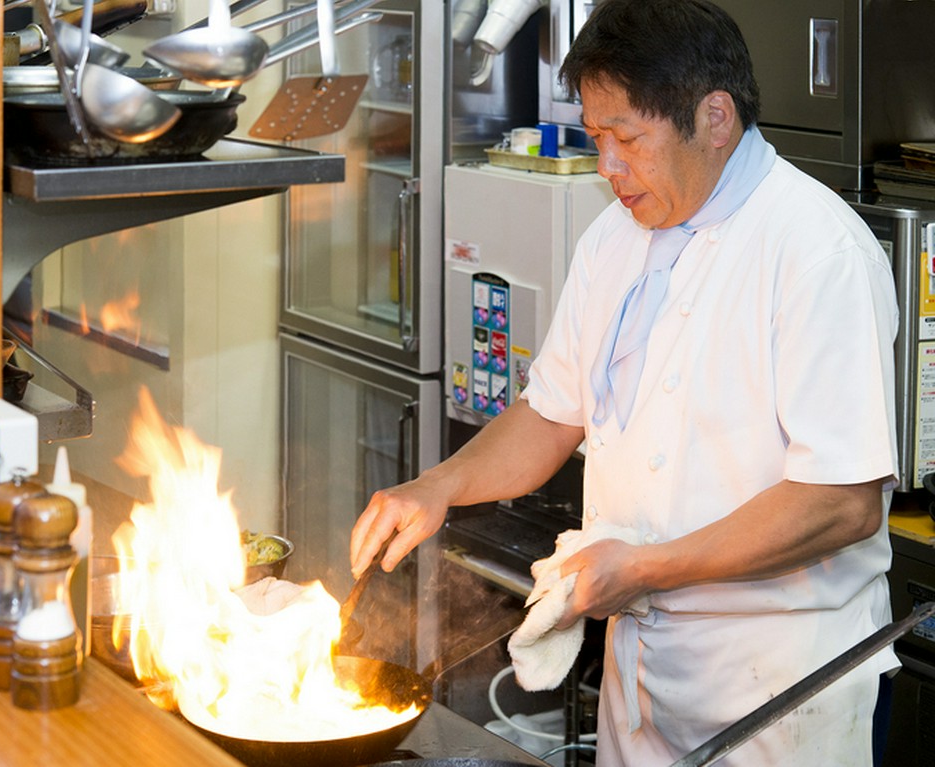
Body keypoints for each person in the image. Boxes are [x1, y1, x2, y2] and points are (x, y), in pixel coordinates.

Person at [350, 0, 900, 764]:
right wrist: (438, 486)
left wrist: (642, 567)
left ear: (715, 118)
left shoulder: (815, 251)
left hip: (781, 697)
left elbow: (840, 503)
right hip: (642, 686)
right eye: (596, 138)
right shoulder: (613, 237)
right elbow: (550, 414)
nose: (607, 168)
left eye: (627, 140)